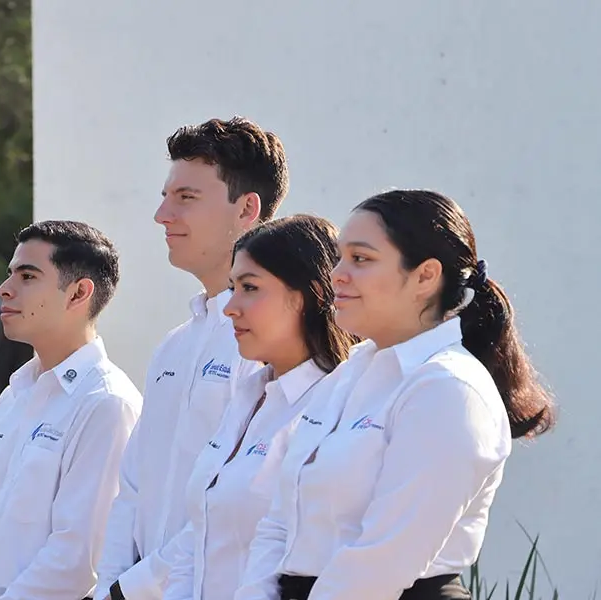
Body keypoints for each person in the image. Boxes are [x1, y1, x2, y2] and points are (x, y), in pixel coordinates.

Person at [236, 190, 556, 600]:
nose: (337, 274)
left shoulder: (448, 389)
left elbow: (386, 558)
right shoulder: (349, 373)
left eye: (361, 259)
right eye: (339, 257)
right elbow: (280, 520)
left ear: (425, 276)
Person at [96, 117, 291, 600]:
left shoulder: (271, 347)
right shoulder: (175, 344)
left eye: (186, 197)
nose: (163, 214)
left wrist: (137, 587)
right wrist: (112, 584)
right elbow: (133, 487)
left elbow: (239, 501)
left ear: (247, 209)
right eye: (165, 196)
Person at [161, 215, 357, 600]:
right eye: (232, 287)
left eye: (249, 287)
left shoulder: (339, 406)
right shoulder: (249, 395)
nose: (231, 307)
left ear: (309, 294)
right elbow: (195, 540)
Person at [0, 220, 143, 600]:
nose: (5, 288)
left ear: (78, 293)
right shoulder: (15, 394)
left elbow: (77, 561)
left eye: (28, 275)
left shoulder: (107, 403)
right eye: (11, 274)